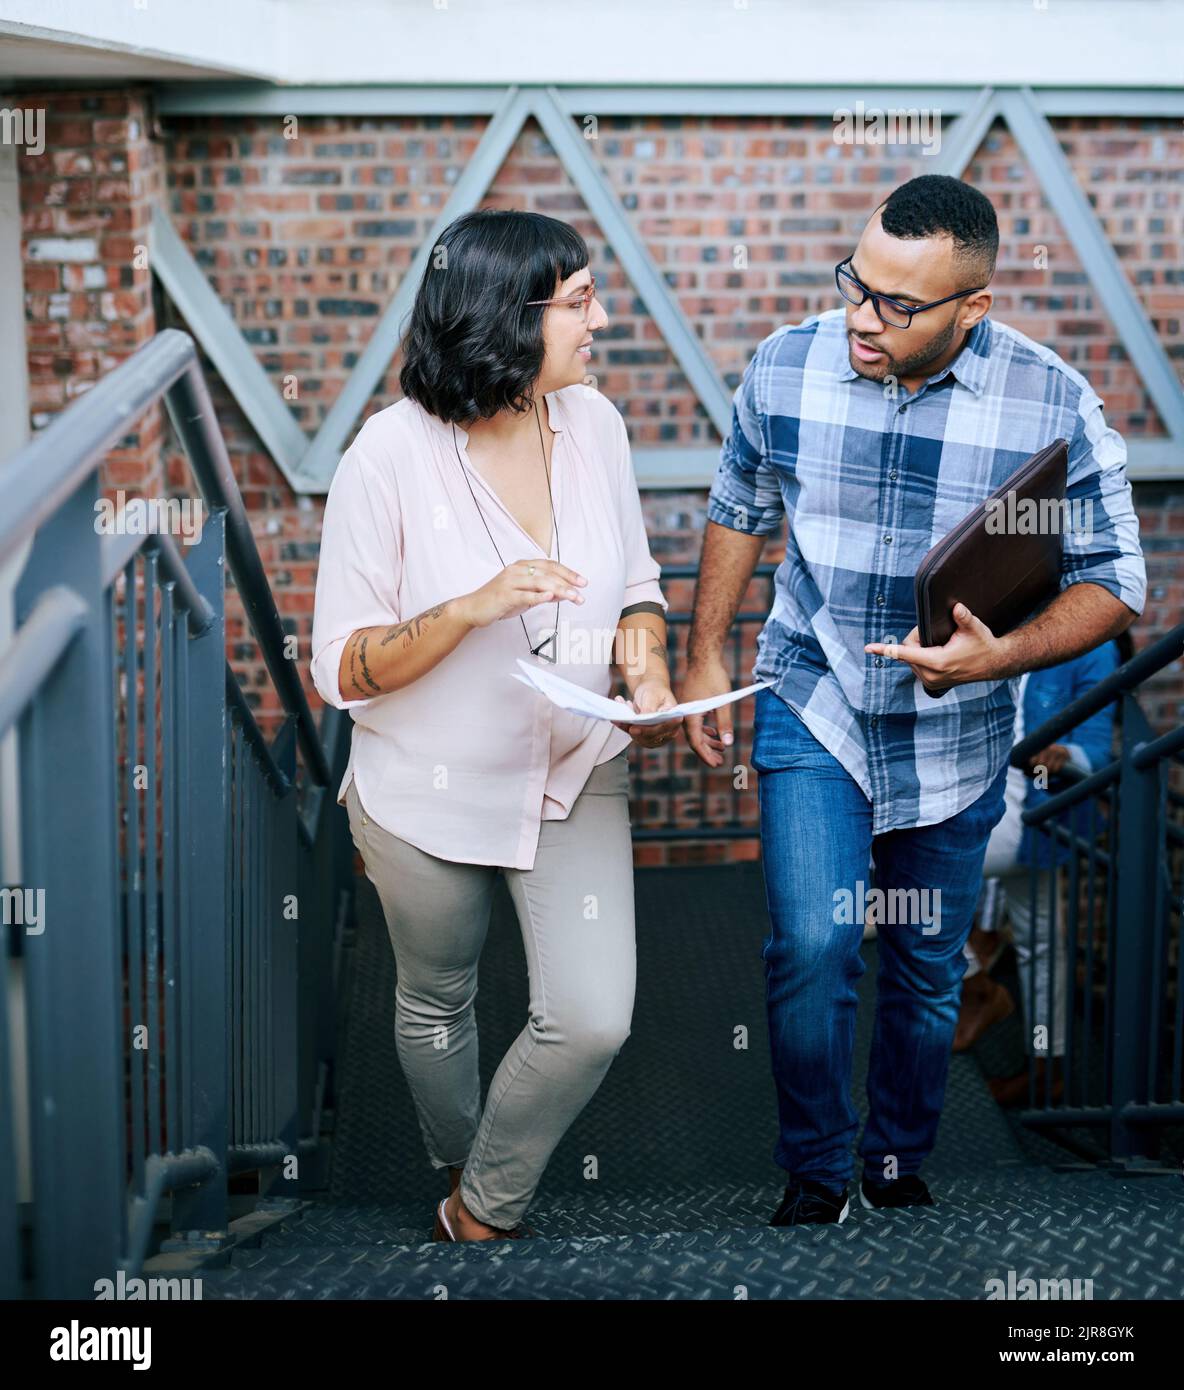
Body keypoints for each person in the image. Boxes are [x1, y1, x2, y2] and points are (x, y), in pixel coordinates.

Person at [682, 174, 1146, 1225]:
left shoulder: (1050, 399)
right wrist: (705, 651)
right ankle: (812, 1172)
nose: (860, 315)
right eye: (856, 283)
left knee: (928, 967)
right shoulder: (786, 364)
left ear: (970, 310)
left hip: (960, 730)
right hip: (817, 699)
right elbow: (738, 503)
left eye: (896, 305)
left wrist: (1000, 659)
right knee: (811, 943)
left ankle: (893, 1164)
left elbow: (1118, 581)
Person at [310, 209, 682, 1241]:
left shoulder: (594, 424)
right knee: (437, 1000)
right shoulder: (385, 458)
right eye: (578, 305)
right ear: (505, 321)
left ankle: (481, 1202)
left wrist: (643, 668)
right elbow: (340, 667)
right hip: (423, 783)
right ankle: (455, 1158)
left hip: (572, 766)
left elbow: (639, 587)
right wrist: (471, 605)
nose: (599, 322)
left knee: (591, 1014)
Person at [955, 637, 1128, 1108]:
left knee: (905, 874)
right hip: (983, 797)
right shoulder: (1006, 618)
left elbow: (1095, 749)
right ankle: (1040, 1063)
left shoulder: (1091, 643)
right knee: (1040, 945)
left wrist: (1064, 755)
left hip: (1033, 809)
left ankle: (985, 995)